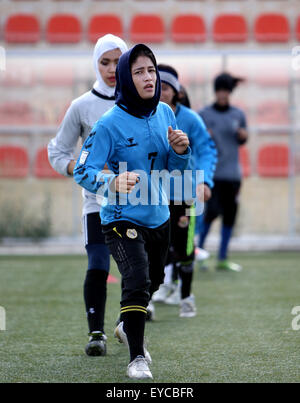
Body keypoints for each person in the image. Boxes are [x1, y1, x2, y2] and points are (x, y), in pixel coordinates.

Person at [73, 44, 190, 379]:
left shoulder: (166, 113)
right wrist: (111, 182)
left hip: (159, 217)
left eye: (151, 70)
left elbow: (174, 168)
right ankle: (137, 358)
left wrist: (181, 151)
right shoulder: (109, 124)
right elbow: (83, 170)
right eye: (139, 72)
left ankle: (126, 325)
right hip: (120, 218)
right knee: (136, 280)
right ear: (126, 78)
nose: (148, 77)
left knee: (153, 281)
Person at [48, 34, 128, 356]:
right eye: (104, 62)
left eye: (117, 62)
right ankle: (96, 333)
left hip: (137, 204)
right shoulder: (81, 106)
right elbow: (57, 151)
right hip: (97, 203)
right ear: (95, 65)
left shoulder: (140, 103)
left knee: (138, 269)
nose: (111, 69)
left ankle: (127, 322)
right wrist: (82, 172)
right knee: (98, 263)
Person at [151, 64, 217, 317]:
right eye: (159, 86)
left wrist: (205, 181)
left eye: (167, 87)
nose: (162, 91)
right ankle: (147, 301)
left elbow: (206, 151)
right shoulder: (146, 117)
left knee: (185, 248)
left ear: (177, 92)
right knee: (153, 249)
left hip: (185, 195)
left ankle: (186, 297)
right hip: (153, 195)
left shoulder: (190, 119)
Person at [197, 72, 248, 272]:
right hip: (212, 175)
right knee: (210, 215)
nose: (222, 94)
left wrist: (243, 136)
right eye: (219, 90)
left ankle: (223, 258)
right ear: (215, 91)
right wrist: (203, 136)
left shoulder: (238, 114)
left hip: (233, 175)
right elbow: (195, 142)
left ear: (230, 92)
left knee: (230, 216)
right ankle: (200, 254)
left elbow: (243, 139)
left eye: (226, 90)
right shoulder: (204, 114)